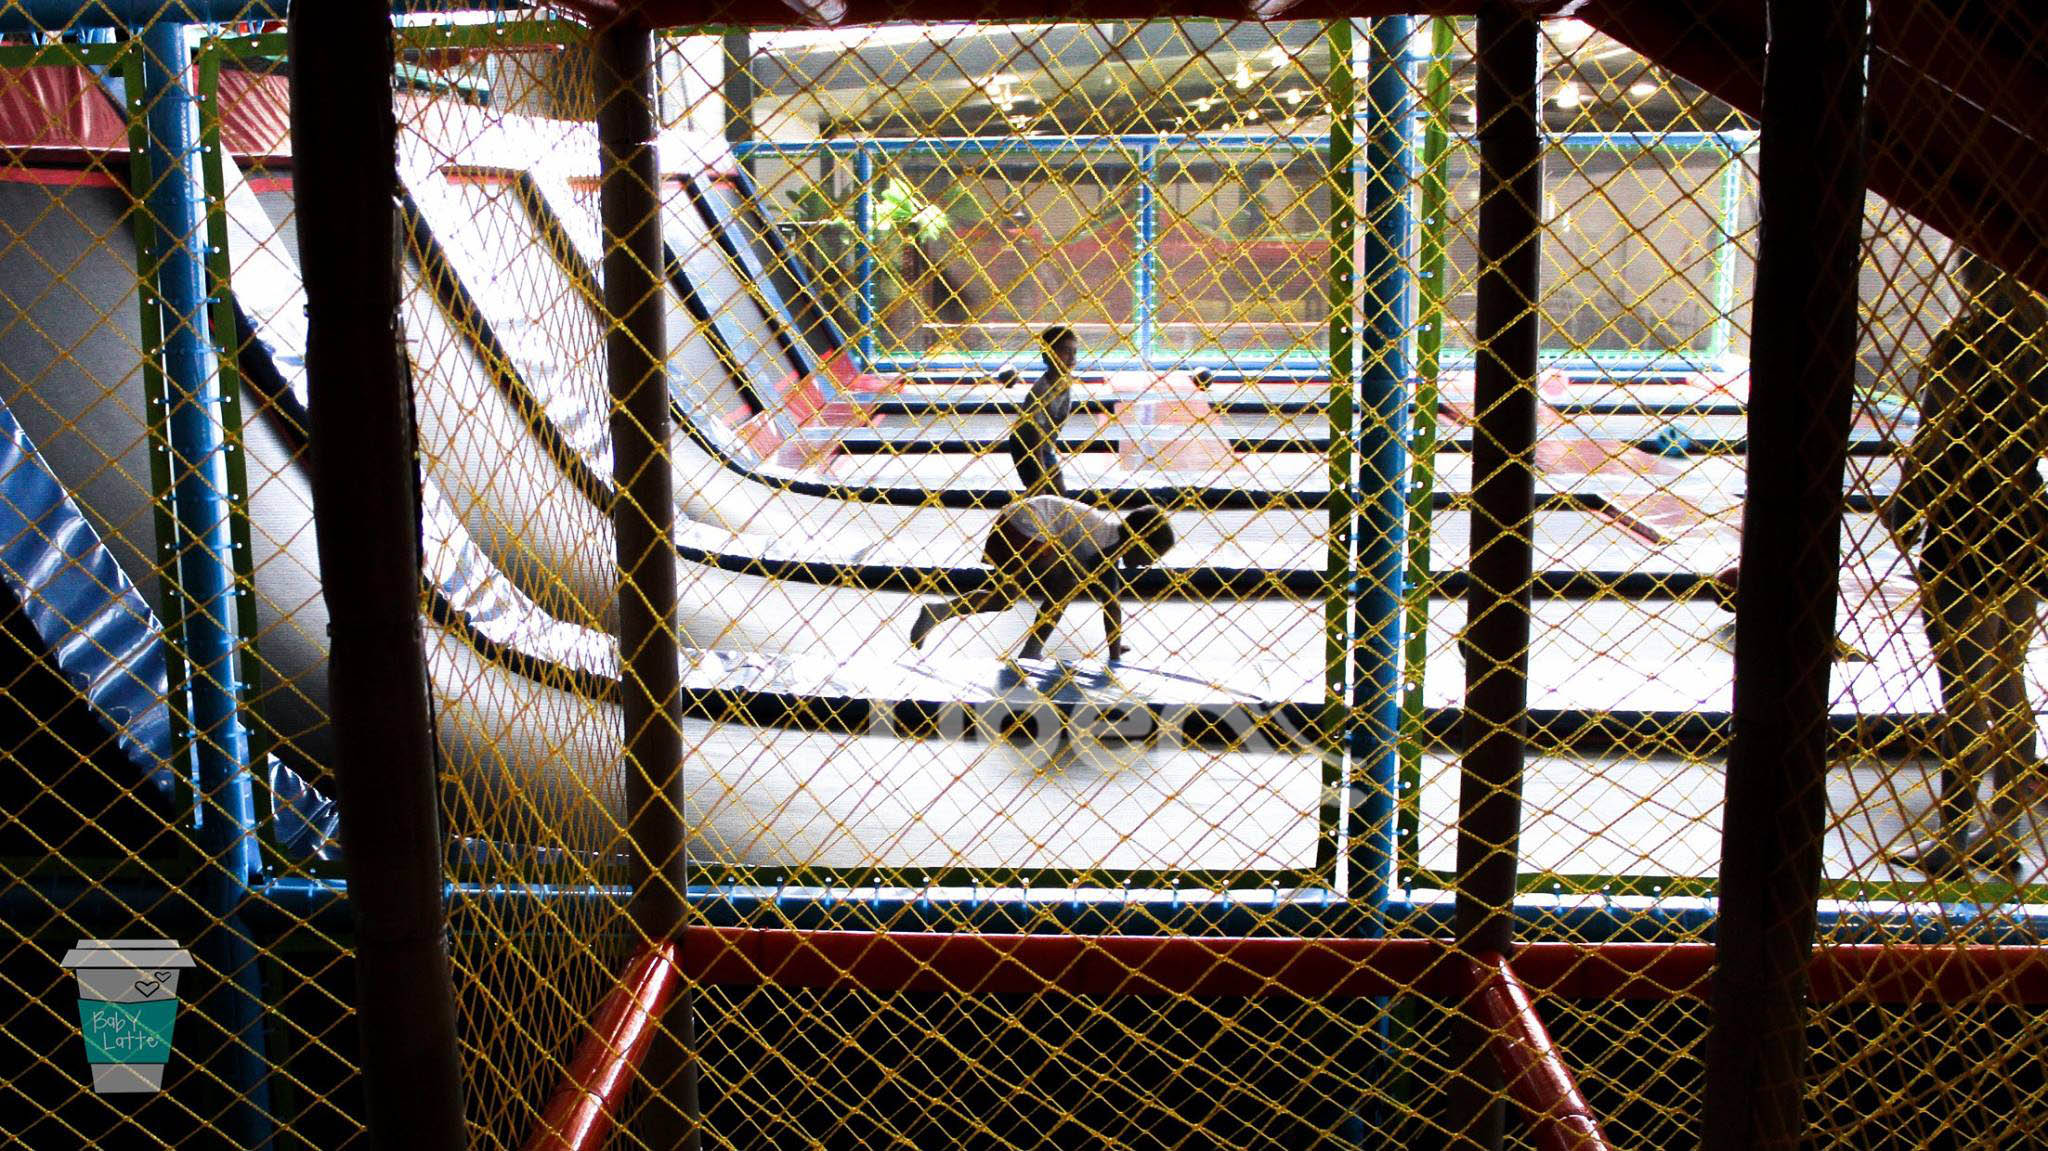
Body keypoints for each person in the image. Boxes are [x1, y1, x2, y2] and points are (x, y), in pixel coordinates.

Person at [1885, 251, 2048, 880]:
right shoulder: (2041, 346)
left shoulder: (1964, 343)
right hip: (2023, 529)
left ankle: (1954, 834)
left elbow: (1936, 435)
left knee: (1963, 692)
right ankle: (2001, 832)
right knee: (2007, 684)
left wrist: (1906, 504)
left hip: (1964, 526)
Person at [908, 496, 1175, 664]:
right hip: (1024, 527)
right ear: (1138, 540)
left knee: (1004, 598)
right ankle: (1031, 650)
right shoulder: (1107, 547)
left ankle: (937, 612)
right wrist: (1114, 654)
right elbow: (1112, 605)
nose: (1149, 564)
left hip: (1013, 523)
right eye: (1150, 555)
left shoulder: (1106, 537)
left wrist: (1116, 649)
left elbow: (1111, 603)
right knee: (1064, 585)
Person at [1005, 325, 1078, 497]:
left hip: (1045, 447)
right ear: (1047, 356)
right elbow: (1034, 434)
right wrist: (1041, 469)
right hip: (1026, 447)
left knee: (1059, 495)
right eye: (1065, 352)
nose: (1071, 358)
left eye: (1074, 352)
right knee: (1040, 493)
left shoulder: (1064, 380)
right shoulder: (1041, 392)